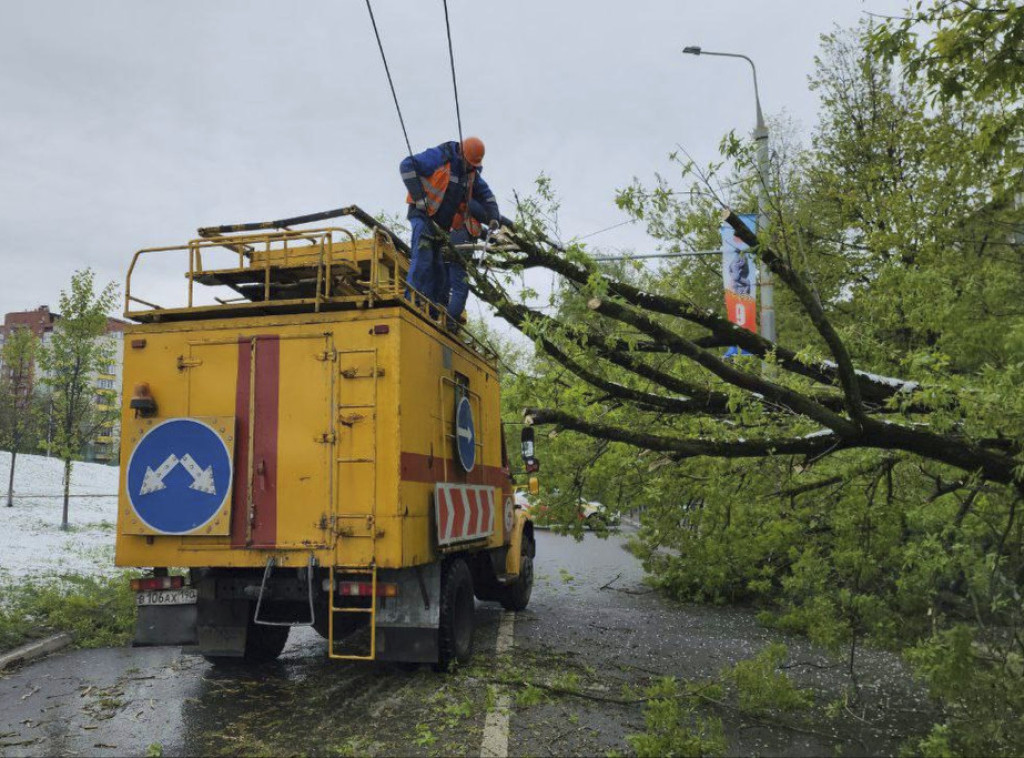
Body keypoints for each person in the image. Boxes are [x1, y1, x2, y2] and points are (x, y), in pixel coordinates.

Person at [400, 137, 500, 308]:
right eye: (469, 163)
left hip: (442, 226)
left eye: (473, 166)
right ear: (461, 153)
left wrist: (493, 217)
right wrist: (419, 196)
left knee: (439, 269)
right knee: (423, 259)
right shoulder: (439, 156)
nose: (471, 168)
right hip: (423, 217)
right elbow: (406, 165)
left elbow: (487, 196)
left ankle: (432, 310)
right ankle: (410, 299)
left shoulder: (470, 175)